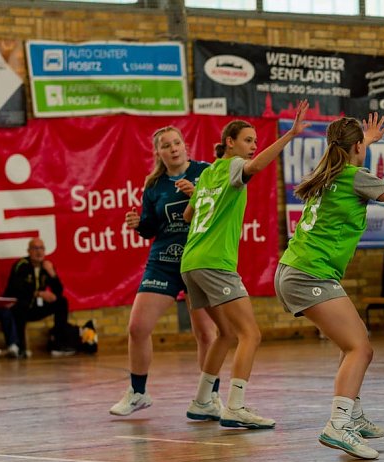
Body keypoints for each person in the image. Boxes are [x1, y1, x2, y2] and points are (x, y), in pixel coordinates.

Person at [274, 114, 384, 460]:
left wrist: (366, 141)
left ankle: (353, 414)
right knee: (360, 349)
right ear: (356, 147)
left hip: (295, 268)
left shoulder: (327, 173)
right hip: (309, 274)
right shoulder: (355, 176)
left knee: (355, 338)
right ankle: (338, 424)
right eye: (362, 142)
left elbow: (348, 158)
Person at [179, 101, 310, 430]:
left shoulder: (207, 174)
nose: (253, 146)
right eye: (248, 140)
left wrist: (202, 196)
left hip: (191, 262)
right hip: (214, 262)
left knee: (225, 333)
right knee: (250, 334)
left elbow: (188, 215)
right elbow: (256, 166)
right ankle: (235, 407)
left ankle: (202, 401)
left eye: (255, 141)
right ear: (230, 142)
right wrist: (290, 135)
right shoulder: (235, 166)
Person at [109, 126, 218, 418]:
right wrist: (138, 224)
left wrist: (198, 195)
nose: (173, 148)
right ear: (158, 152)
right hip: (164, 261)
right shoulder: (154, 184)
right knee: (137, 327)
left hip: (197, 260)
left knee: (206, 333)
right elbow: (151, 227)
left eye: (177, 143)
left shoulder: (205, 172)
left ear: (185, 145)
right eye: (166, 145)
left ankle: (209, 397)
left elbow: (221, 209)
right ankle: (138, 393)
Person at [5, 238, 71, 357]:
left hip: (37, 307)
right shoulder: (21, 265)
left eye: (41, 248)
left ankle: (58, 344)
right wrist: (38, 294)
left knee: (62, 302)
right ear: (29, 251)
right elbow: (15, 289)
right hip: (21, 306)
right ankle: (20, 348)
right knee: (20, 307)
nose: (39, 252)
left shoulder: (46, 266)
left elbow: (58, 292)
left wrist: (52, 273)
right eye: (35, 248)